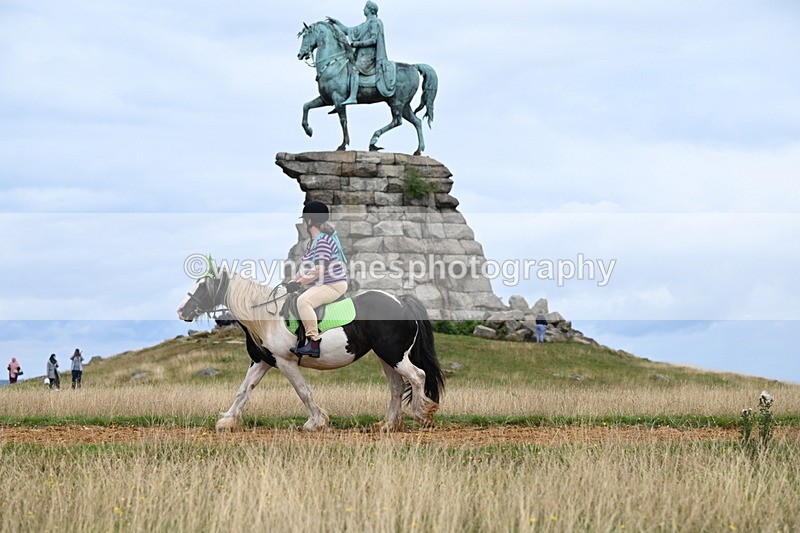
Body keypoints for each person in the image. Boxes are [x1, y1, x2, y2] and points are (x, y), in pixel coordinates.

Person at [287, 201, 348, 358]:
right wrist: (290, 283)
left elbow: (319, 269)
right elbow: (304, 269)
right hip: (323, 284)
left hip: (333, 285)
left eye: (304, 220)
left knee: (304, 301)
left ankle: (314, 343)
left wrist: (300, 284)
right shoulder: (312, 243)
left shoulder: (323, 241)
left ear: (309, 221)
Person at [327, 1, 396, 106]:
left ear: (369, 9)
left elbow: (373, 40)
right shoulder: (364, 25)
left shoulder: (375, 22)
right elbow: (348, 30)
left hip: (369, 56)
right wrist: (337, 22)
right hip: (360, 55)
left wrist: (357, 43)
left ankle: (353, 97)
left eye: (365, 8)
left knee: (354, 69)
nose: (363, 10)